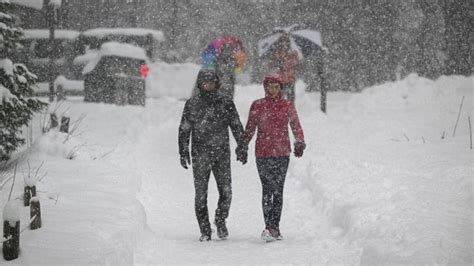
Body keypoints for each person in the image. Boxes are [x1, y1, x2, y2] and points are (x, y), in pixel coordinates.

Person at [178, 69, 247, 242]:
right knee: (201, 195)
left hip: (221, 154)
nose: (208, 85)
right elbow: (184, 129)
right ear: (199, 84)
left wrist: (242, 146)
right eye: (204, 82)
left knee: (226, 192)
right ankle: (205, 229)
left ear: (217, 83)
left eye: (211, 82)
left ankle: (220, 219)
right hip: (200, 154)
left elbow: (236, 124)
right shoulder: (192, 104)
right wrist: (183, 150)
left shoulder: (225, 102)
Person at [237, 73, 305, 242]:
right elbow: (250, 128)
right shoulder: (258, 105)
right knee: (267, 189)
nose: (272, 90)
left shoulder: (287, 106)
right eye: (269, 86)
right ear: (265, 88)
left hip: (282, 153)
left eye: (276, 87)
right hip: (263, 153)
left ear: (281, 88)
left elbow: (296, 125)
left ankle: (275, 226)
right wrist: (243, 145)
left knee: (278, 189)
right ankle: (268, 226)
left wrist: (300, 141)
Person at [267, 34, 299, 103]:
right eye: (282, 42)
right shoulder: (276, 53)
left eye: (286, 42)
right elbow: (271, 65)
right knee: (279, 98)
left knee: (291, 98)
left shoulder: (292, 53)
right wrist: (277, 63)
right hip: (280, 80)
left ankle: (290, 111)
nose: (284, 44)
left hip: (290, 79)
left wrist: (285, 64)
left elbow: (296, 63)